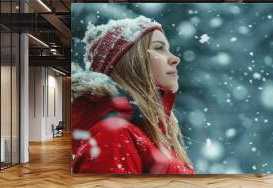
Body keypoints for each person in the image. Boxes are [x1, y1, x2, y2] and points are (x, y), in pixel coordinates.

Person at [71, 16, 195, 174]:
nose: (175, 59)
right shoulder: (114, 134)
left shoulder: (145, 134)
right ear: (130, 62)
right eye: (159, 48)